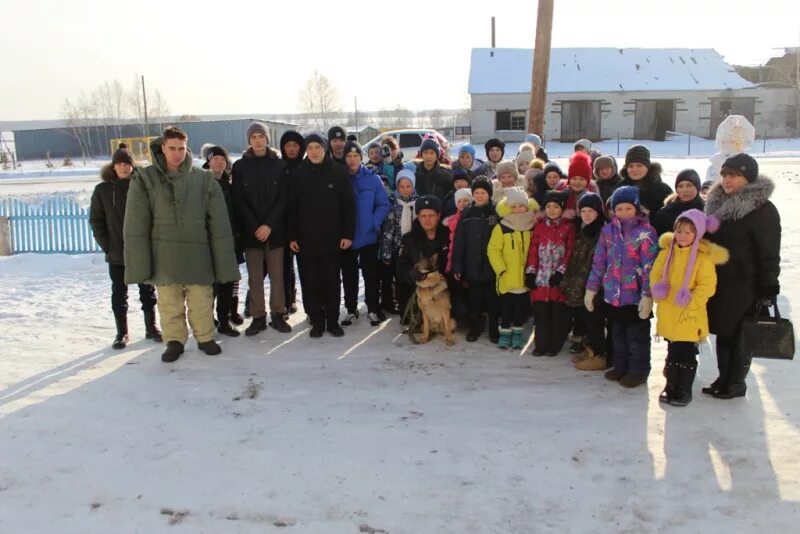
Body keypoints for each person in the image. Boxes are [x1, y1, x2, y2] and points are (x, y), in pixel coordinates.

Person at [124, 126, 240, 362]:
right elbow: (136, 224)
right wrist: (140, 261)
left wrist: (223, 258)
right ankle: (174, 341)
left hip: (198, 253)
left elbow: (218, 223)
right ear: (162, 148)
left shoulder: (202, 179)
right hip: (164, 255)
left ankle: (205, 337)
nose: (177, 153)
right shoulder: (146, 179)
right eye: (172, 148)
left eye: (181, 148)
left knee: (201, 300)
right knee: (169, 303)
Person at [703, 154, 781, 399]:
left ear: (748, 178)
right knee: (724, 330)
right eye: (725, 174)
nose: (726, 180)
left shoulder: (762, 210)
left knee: (740, 332)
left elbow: (769, 250)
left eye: (734, 175)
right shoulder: (717, 204)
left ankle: (736, 382)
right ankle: (723, 377)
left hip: (746, 283)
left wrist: (769, 283)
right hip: (720, 280)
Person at [651, 209, 727, 406]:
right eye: (679, 231)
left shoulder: (703, 258)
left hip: (689, 314)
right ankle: (671, 384)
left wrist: (691, 300)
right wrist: (658, 290)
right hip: (669, 309)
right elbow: (656, 274)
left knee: (686, 352)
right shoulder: (667, 253)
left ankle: (683, 387)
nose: (682, 236)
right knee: (672, 350)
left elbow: (707, 285)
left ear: (698, 234)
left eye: (688, 232)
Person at [584, 186, 658, 387]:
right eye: (619, 209)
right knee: (617, 336)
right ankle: (620, 366)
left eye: (628, 208)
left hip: (635, 297)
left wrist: (647, 295)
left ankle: (639, 370)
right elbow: (599, 262)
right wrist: (592, 289)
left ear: (636, 208)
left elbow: (649, 266)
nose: (623, 213)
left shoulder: (646, 233)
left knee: (637, 338)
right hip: (612, 296)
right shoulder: (608, 231)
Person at [89, 143, 161, 349]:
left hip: (141, 249)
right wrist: (108, 245)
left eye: (126, 163)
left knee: (147, 291)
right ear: (113, 166)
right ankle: (121, 333)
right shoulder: (103, 190)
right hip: (117, 251)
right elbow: (96, 220)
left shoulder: (143, 186)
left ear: (132, 165)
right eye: (119, 164)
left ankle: (151, 327)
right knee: (119, 292)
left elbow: (155, 215)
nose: (123, 167)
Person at [288, 133, 355, 338]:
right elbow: (291, 209)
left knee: (332, 281)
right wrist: (292, 236)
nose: (314, 151)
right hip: (306, 240)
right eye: (310, 148)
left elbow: (348, 206)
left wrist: (347, 234)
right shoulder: (298, 174)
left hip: (333, 239)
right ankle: (317, 321)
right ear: (306, 151)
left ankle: (332, 321)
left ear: (324, 149)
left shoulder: (339, 172)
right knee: (310, 282)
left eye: (317, 147)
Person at [231, 122, 291, 337]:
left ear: (267, 139)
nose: (257, 140)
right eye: (254, 136)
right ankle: (258, 316)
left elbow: (283, 198)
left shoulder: (279, 165)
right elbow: (238, 200)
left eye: (261, 136)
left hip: (274, 231)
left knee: (277, 276)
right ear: (249, 140)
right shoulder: (240, 166)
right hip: (251, 232)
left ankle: (278, 313)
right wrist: (255, 226)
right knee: (255, 277)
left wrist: (269, 225)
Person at [340, 140, 391, 327]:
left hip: (368, 235)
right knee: (349, 275)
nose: (352, 160)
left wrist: (374, 222)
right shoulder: (341, 178)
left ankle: (372, 309)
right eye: (348, 156)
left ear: (361, 157)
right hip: (347, 237)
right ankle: (351, 309)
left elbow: (383, 204)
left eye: (355, 156)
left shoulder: (372, 178)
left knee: (370, 275)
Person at [525, 190, 575, 356]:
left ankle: (555, 343)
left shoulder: (568, 227)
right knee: (541, 316)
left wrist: (561, 273)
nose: (552, 210)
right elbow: (533, 250)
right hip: (541, 279)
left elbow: (569, 252)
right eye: (548, 206)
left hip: (557, 280)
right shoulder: (539, 226)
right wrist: (531, 272)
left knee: (557, 316)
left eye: (555, 207)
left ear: (562, 208)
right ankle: (541, 343)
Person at [487, 187, 538, 349]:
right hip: (507, 278)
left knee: (520, 310)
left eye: (521, 206)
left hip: (524, 278)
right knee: (506, 309)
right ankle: (505, 333)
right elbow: (493, 250)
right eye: (513, 206)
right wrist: (501, 269)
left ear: (527, 206)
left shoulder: (532, 226)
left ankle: (517, 334)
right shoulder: (502, 227)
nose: (517, 209)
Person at [562, 192, 608, 371]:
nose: (587, 214)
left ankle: (599, 354)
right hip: (579, 282)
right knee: (586, 319)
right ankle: (590, 350)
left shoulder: (600, 232)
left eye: (591, 211)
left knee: (594, 321)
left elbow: (593, 262)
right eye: (584, 210)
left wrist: (583, 285)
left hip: (593, 285)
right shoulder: (582, 229)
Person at [451, 177, 500, 342]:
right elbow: (459, 243)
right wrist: (457, 266)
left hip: (491, 266)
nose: (480, 196)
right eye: (476, 192)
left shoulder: (495, 213)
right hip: (471, 266)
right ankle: (475, 327)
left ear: (489, 194)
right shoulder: (467, 214)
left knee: (493, 302)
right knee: (474, 301)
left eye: (483, 192)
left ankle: (494, 329)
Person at [203, 144, 244, 337]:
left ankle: (225, 319)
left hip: (230, 240)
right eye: (215, 158)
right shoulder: (202, 182)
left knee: (228, 281)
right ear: (208, 161)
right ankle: (209, 318)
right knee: (212, 284)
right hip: (211, 241)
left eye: (222, 159)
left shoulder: (228, 182)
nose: (219, 162)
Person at [395, 195, 451, 324]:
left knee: (460, 312)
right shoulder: (409, 238)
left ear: (438, 215)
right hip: (419, 288)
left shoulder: (448, 236)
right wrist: (413, 275)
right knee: (411, 317)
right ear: (418, 217)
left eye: (431, 215)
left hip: (444, 287)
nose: (427, 219)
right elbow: (401, 266)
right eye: (423, 216)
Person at [380, 169, 418, 315]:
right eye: (402, 186)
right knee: (400, 281)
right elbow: (388, 229)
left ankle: (414, 309)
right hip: (397, 247)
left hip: (413, 249)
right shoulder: (392, 203)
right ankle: (403, 310)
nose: (405, 190)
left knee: (413, 280)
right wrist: (387, 252)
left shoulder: (418, 202)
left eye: (408, 186)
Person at [279, 130, 306, 317]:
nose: (291, 149)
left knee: (304, 265)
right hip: (280, 223)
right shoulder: (277, 166)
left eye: (295, 145)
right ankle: (286, 302)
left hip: (302, 224)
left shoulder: (305, 167)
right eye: (287, 145)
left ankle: (297, 298)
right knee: (283, 266)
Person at [619, 145, 672, 223]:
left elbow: (670, 216)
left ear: (648, 167)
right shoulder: (620, 187)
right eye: (631, 166)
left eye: (639, 165)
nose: (635, 169)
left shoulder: (663, 189)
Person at [653, 169, 705, 236]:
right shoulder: (665, 213)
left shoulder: (707, 211)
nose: (685, 190)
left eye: (689, 185)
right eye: (680, 186)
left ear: (698, 187)